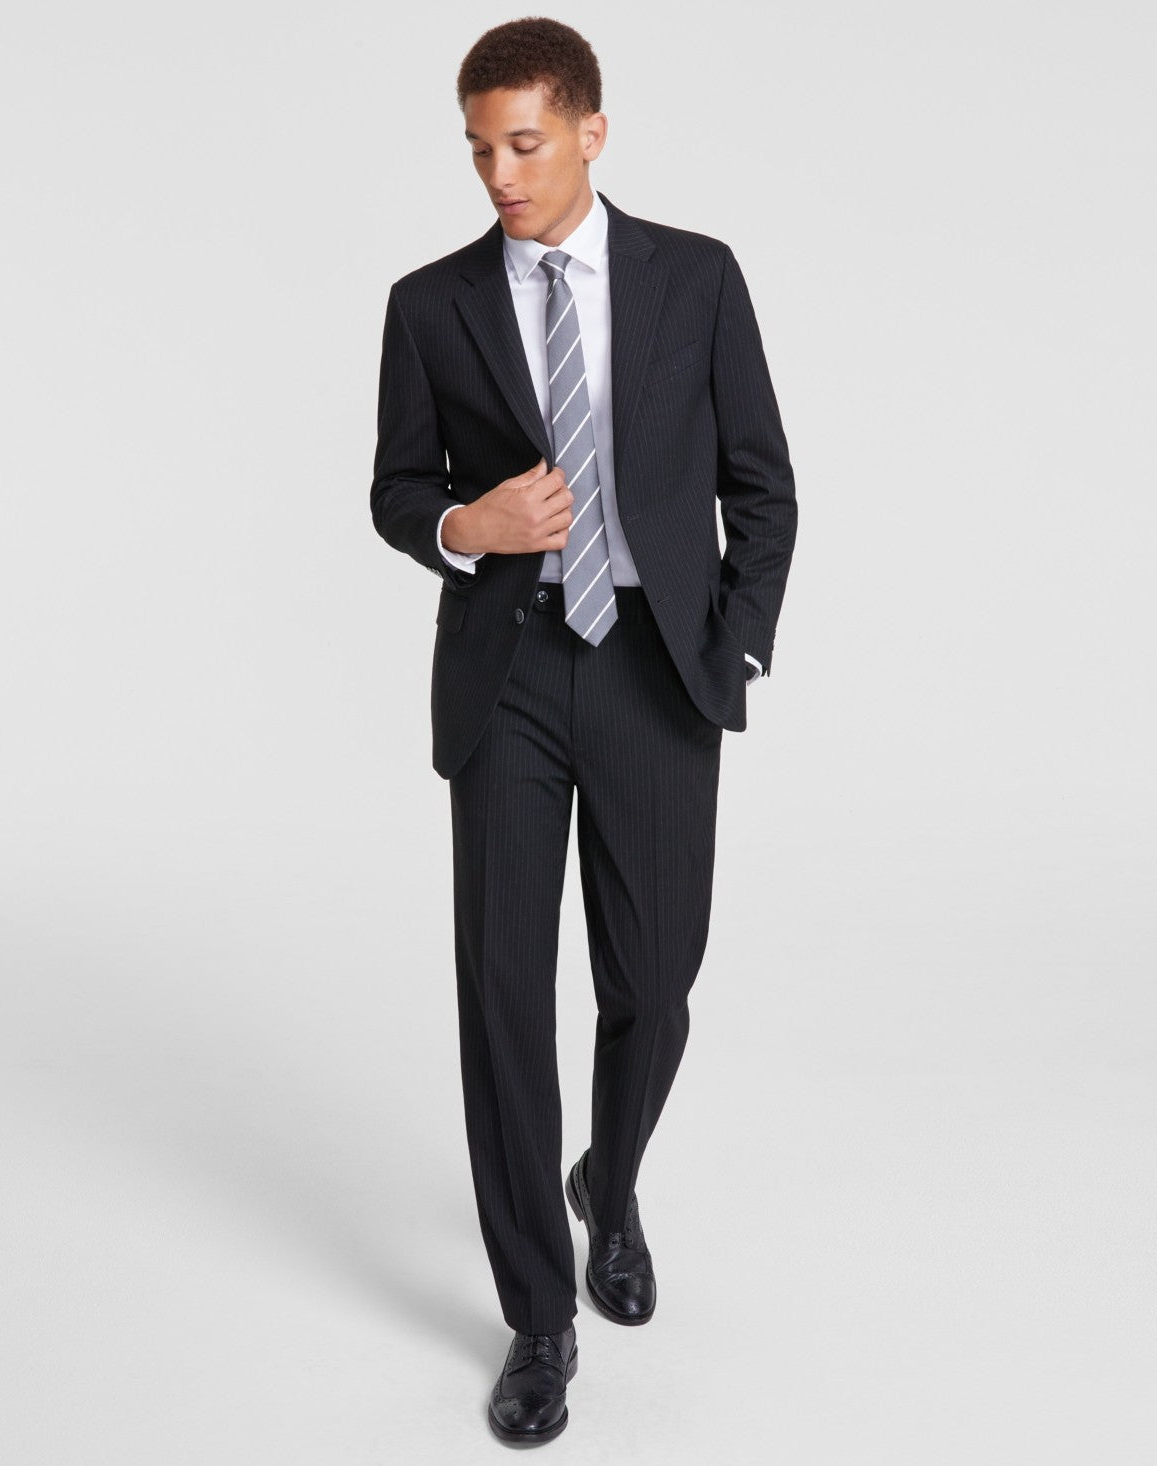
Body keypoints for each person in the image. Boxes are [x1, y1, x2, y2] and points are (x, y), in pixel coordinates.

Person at [370, 16, 797, 1446]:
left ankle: (608, 1187)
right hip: (506, 674)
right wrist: (465, 523)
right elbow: (395, 488)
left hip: (656, 672)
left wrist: (733, 642)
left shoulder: (697, 278)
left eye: (524, 143)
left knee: (655, 981)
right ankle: (539, 1316)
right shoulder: (430, 305)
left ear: (590, 132)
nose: (499, 172)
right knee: (503, 996)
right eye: (479, 148)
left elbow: (762, 484)